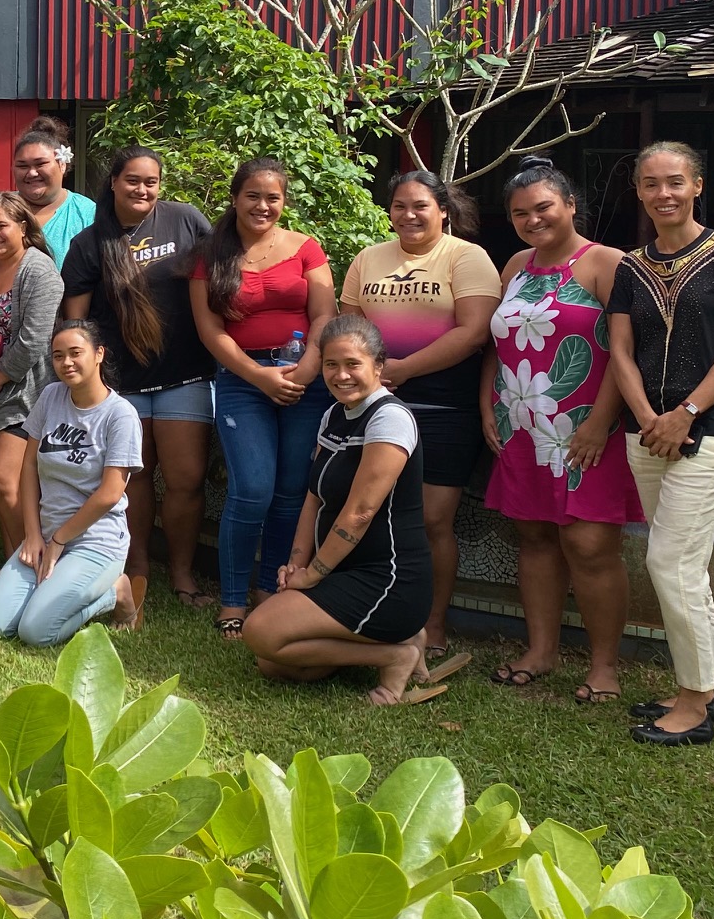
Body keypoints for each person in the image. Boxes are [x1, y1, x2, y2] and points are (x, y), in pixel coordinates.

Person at [606, 141, 714, 747]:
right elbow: (621, 351)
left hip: (712, 429)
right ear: (640, 192)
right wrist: (651, 415)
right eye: (650, 184)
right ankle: (692, 686)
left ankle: (698, 702)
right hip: (645, 430)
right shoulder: (631, 265)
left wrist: (686, 413)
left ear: (697, 185)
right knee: (685, 564)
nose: (663, 194)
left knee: (669, 563)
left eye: (675, 182)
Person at [481, 157, 641, 701]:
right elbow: (497, 342)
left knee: (590, 543)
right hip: (522, 423)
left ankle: (604, 667)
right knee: (534, 537)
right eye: (520, 213)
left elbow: (626, 353)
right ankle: (541, 650)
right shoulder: (515, 266)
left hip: (585, 428)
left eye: (544, 207)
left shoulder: (605, 263)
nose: (533, 220)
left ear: (571, 205)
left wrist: (600, 423)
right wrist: (488, 404)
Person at [243, 316, 448, 705]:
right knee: (273, 662)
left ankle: (395, 654)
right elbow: (314, 496)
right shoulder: (334, 414)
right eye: (331, 365)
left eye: (353, 364)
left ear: (378, 366)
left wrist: (315, 575)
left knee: (261, 632)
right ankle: (402, 643)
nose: (341, 375)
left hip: (388, 582)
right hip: (343, 571)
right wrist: (297, 564)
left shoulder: (390, 417)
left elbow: (360, 512)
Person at [340, 171, 501, 667]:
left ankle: (432, 624)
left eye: (420, 206)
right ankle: (371, 612)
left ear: (443, 210)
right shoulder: (369, 258)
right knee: (368, 511)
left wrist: (403, 370)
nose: (409, 215)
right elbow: (350, 328)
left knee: (433, 520)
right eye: (399, 206)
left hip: (444, 407)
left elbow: (474, 333)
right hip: (375, 406)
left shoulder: (467, 257)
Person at [61, 147, 213, 622]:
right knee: (135, 478)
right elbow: (76, 321)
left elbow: (221, 274)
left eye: (151, 181)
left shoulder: (186, 222)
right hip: (120, 383)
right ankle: (138, 564)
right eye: (132, 181)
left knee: (186, 479)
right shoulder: (90, 243)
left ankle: (184, 573)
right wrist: (84, 378)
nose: (142, 190)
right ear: (113, 182)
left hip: (184, 373)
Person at [191, 159, 337, 641]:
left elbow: (324, 315)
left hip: (304, 378)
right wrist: (258, 376)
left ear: (284, 201)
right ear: (235, 198)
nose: (263, 205)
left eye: (273, 197)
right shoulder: (211, 255)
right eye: (253, 195)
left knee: (292, 491)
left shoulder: (306, 248)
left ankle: (270, 590)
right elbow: (211, 332)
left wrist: (309, 368)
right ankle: (233, 598)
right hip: (242, 380)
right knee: (251, 488)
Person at [0, 321, 142, 645]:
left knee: (36, 632)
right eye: (57, 356)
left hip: (96, 541)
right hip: (46, 535)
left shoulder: (120, 415)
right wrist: (32, 535)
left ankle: (117, 591)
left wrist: (59, 539)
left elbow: (111, 493)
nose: (66, 363)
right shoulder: (52, 395)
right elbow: (28, 466)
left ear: (98, 354)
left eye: (75, 353)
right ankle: (56, 589)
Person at [0, 191, 63, 562]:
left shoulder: (38, 269)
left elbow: (34, 339)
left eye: (1, 226)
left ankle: (34, 560)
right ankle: (11, 568)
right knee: (4, 486)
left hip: (26, 388)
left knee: (2, 478)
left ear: (23, 227)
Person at [0, 117, 96, 267]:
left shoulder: (87, 213)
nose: (31, 173)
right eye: (22, 166)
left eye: (41, 164)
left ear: (62, 165)